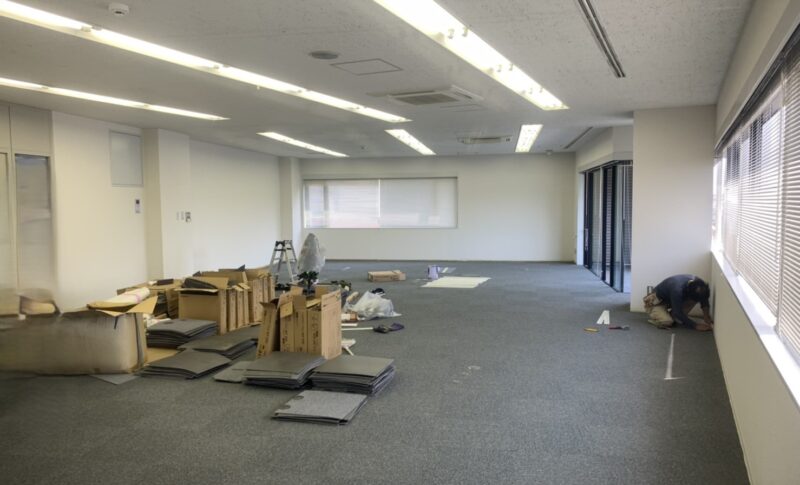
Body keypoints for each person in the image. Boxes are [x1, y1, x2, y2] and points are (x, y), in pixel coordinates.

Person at [643, 275, 714, 331]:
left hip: (670, 299)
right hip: (656, 303)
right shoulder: (677, 290)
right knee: (667, 321)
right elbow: (678, 312)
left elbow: (703, 298)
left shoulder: (700, 284)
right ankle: (656, 317)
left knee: (678, 317)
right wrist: (695, 326)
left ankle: (671, 316)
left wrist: (706, 316)